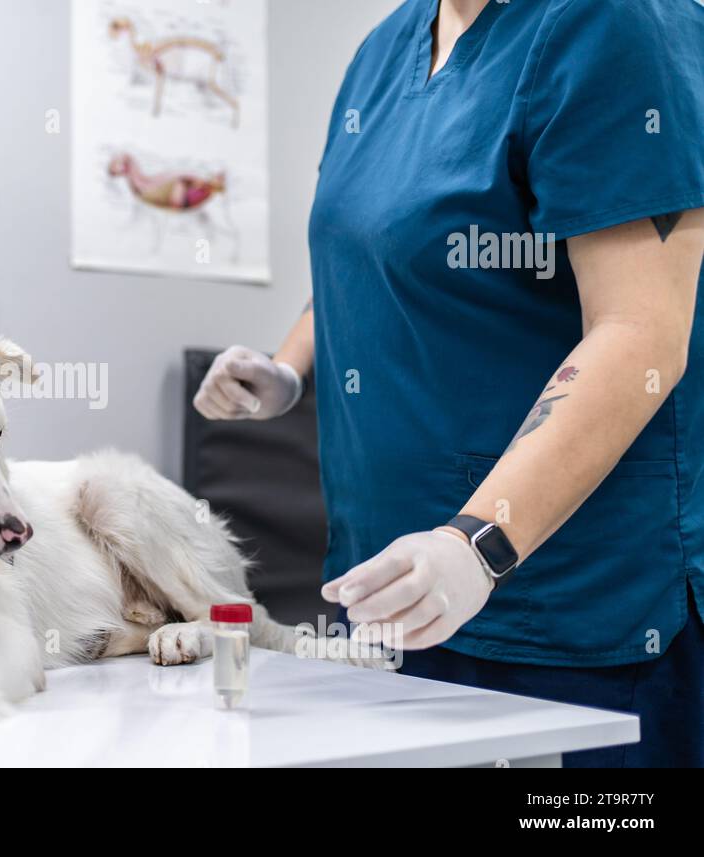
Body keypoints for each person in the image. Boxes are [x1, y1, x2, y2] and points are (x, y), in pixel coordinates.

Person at [195, 0, 704, 767]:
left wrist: (478, 543)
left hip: (573, 611)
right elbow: (380, 252)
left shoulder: (612, 24)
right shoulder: (384, 50)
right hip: (394, 594)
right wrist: (287, 368)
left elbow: (639, 333)